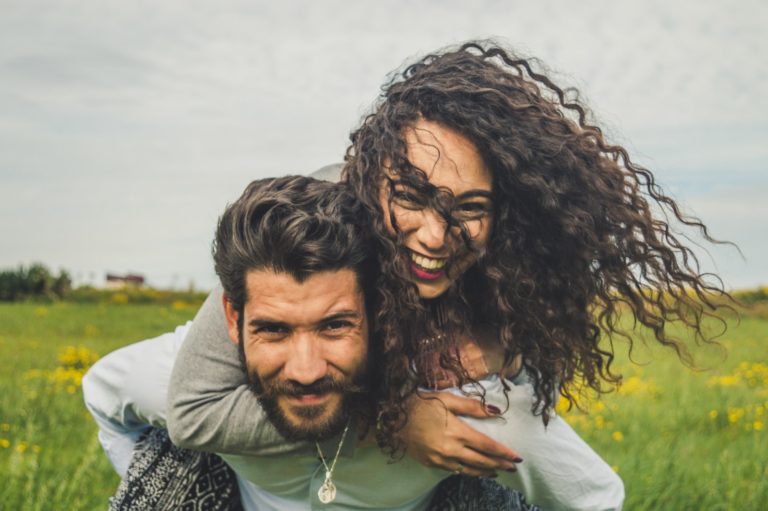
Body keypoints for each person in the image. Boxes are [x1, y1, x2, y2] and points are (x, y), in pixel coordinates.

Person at [166, 40, 730, 507]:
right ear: (370, 177)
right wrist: (393, 417)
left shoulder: (508, 272)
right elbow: (192, 411)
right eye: (412, 195)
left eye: (469, 208)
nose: (435, 237)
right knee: (128, 382)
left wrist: (500, 351)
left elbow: (540, 424)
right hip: (287, 432)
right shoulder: (317, 229)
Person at [85, 175, 619, 511]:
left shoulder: (469, 416)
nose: (305, 369)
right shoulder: (179, 381)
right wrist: (386, 418)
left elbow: (594, 497)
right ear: (232, 318)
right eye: (272, 329)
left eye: (335, 325)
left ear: (380, 311)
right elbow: (104, 397)